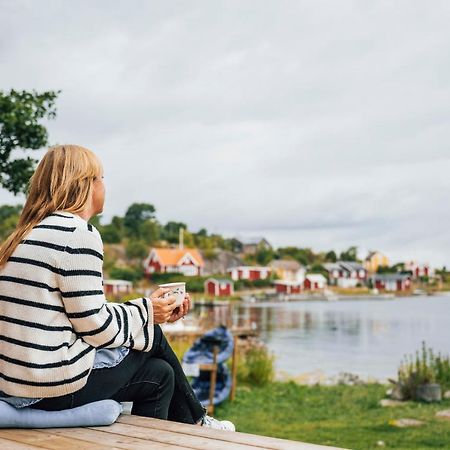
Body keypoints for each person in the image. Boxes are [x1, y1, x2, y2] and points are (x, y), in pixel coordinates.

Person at [0, 144, 234, 431]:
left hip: (17, 382)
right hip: (47, 387)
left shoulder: (24, 235)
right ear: (85, 185)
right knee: (153, 335)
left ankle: (180, 430)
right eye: (101, 178)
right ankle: (199, 422)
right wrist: (149, 313)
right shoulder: (77, 234)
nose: (104, 185)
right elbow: (96, 328)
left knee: (159, 375)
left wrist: (148, 310)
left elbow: (80, 312)